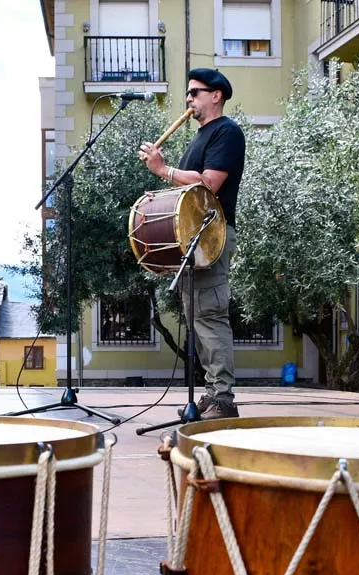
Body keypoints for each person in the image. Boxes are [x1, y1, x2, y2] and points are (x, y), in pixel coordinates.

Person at [138, 68, 246, 420]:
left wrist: (163, 170)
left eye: (195, 92)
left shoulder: (227, 132)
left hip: (211, 238)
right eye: (188, 93)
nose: (189, 99)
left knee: (211, 317)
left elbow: (209, 184)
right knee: (197, 318)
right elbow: (187, 193)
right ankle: (211, 392)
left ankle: (223, 400)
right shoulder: (198, 138)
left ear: (216, 95)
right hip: (192, 238)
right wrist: (164, 192)